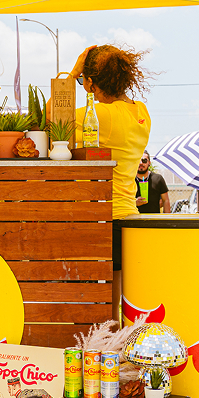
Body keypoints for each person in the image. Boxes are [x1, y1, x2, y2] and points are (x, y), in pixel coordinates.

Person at [67, 44, 152, 316]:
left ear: (91, 82)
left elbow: (52, 114)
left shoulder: (105, 115)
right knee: (120, 303)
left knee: (105, 308)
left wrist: (72, 73)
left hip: (106, 215)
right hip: (128, 213)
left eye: (83, 81)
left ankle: (108, 356)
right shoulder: (140, 112)